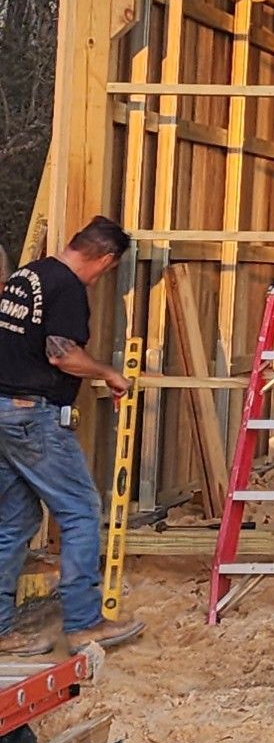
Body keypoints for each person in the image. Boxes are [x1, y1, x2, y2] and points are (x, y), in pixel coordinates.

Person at [0, 216, 142, 654]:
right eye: (107, 270)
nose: (102, 278)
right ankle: (84, 624)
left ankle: (2, 630)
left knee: (14, 522)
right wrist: (108, 373)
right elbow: (61, 354)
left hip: (4, 409)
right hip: (31, 415)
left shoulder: (28, 275)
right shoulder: (65, 288)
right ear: (105, 259)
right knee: (80, 511)